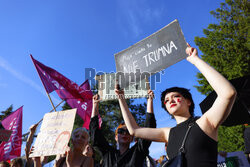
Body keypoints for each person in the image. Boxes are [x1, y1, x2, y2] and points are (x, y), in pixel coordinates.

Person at [115, 44, 237, 167]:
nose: (171, 100)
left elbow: (228, 93)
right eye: (166, 100)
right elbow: (134, 130)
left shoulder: (206, 122)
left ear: (188, 101)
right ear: (167, 109)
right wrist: (121, 98)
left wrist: (195, 60)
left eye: (176, 96)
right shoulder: (167, 133)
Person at [89, 90, 156, 167]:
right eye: (121, 131)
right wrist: (95, 105)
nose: (124, 134)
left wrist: (149, 100)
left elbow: (149, 130)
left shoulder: (138, 151)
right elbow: (95, 136)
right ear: (116, 137)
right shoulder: (108, 153)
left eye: (128, 132)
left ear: (132, 138)